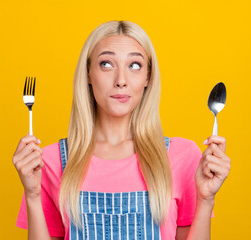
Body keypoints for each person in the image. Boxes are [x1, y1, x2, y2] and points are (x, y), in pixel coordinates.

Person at [12, 20, 231, 240]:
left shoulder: (181, 156)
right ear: (88, 74)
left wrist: (206, 200)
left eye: (134, 65)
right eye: (106, 64)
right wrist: (32, 195)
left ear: (148, 77)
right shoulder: (50, 162)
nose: (121, 81)